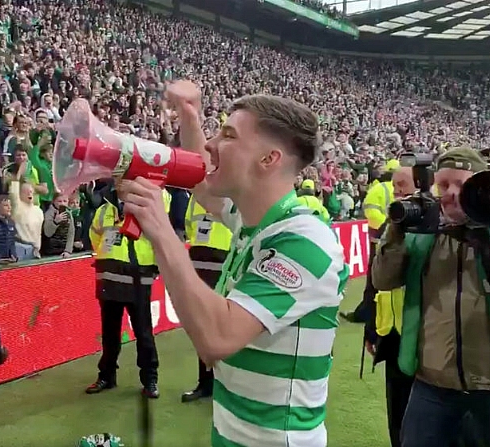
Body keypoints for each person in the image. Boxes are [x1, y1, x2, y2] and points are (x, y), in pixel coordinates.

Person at [119, 81, 348, 447]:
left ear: (268, 159)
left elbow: (216, 339)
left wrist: (162, 232)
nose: (210, 144)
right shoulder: (256, 222)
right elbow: (202, 181)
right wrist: (189, 117)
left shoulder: (306, 241)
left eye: (227, 135)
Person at [372, 148, 490, 447]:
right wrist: (396, 231)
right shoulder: (423, 232)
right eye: (443, 185)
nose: (450, 194)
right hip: (431, 386)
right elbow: (383, 280)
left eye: (462, 186)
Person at [84, 181, 166, 399]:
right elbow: (95, 238)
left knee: (143, 333)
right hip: (109, 278)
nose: (122, 184)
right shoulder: (103, 210)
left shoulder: (147, 209)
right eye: (119, 179)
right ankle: (107, 376)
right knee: (110, 334)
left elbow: (160, 237)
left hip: (138, 277)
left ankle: (150, 379)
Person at [364, 166, 415, 447]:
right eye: (395, 186)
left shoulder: (435, 224)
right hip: (390, 333)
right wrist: (370, 328)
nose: (396, 192)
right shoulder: (388, 225)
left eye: (402, 186)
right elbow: (373, 283)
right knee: (395, 411)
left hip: (420, 333)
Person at [180, 193, 232, 403]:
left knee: (225, 327)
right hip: (199, 263)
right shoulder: (195, 198)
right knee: (203, 327)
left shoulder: (230, 193)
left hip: (224, 263)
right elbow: (189, 227)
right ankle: (206, 383)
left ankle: (226, 384)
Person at [342, 159, 399, 323]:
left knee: (374, 280)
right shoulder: (409, 188)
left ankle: (367, 314)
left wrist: (386, 229)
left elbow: (370, 211)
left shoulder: (379, 189)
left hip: (380, 239)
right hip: (400, 239)